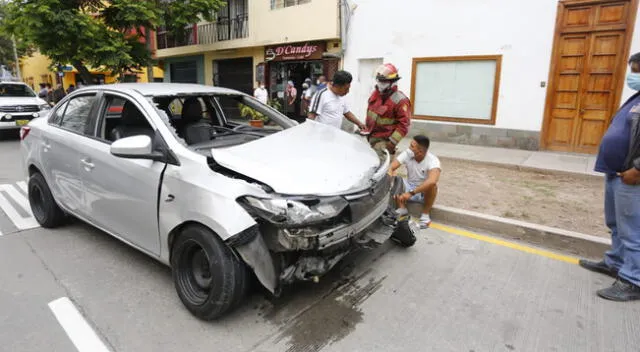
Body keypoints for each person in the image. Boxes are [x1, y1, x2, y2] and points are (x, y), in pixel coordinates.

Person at [579, 52, 640, 301]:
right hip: (615, 173)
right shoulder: (636, 98)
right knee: (615, 225)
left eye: (636, 71)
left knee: (633, 231)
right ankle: (615, 262)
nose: (632, 76)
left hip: (631, 177)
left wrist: (637, 169)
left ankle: (633, 280)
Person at [388, 135, 441, 229]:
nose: (409, 148)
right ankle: (402, 209)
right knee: (396, 179)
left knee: (433, 185)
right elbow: (391, 167)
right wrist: (390, 175)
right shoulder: (408, 153)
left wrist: (411, 193)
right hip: (408, 188)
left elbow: (432, 180)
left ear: (420, 151)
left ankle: (425, 216)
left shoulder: (433, 160)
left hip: (423, 193)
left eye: (412, 146)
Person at [365, 63, 412, 158]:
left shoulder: (400, 100)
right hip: (371, 137)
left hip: (384, 141)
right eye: (379, 81)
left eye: (383, 82)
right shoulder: (376, 94)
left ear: (392, 82)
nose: (380, 84)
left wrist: (392, 143)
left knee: (379, 168)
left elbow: (404, 125)